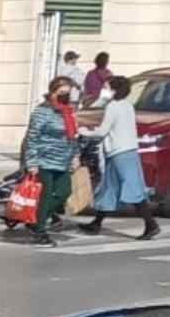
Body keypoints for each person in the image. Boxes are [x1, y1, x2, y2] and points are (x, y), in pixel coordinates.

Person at [78, 75, 159, 241]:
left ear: (114, 90)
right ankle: (96, 223)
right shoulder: (128, 106)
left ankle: (151, 224)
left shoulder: (113, 107)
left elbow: (102, 131)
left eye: (106, 87)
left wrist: (84, 132)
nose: (104, 90)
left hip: (120, 152)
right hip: (124, 150)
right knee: (109, 187)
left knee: (133, 189)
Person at [23, 76, 81, 247]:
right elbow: (32, 138)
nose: (65, 96)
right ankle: (40, 232)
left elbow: (73, 137)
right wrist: (32, 162)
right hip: (44, 160)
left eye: (68, 94)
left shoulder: (68, 112)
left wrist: (75, 156)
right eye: (62, 93)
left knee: (64, 192)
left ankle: (35, 221)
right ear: (52, 92)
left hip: (63, 160)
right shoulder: (42, 112)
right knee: (45, 196)